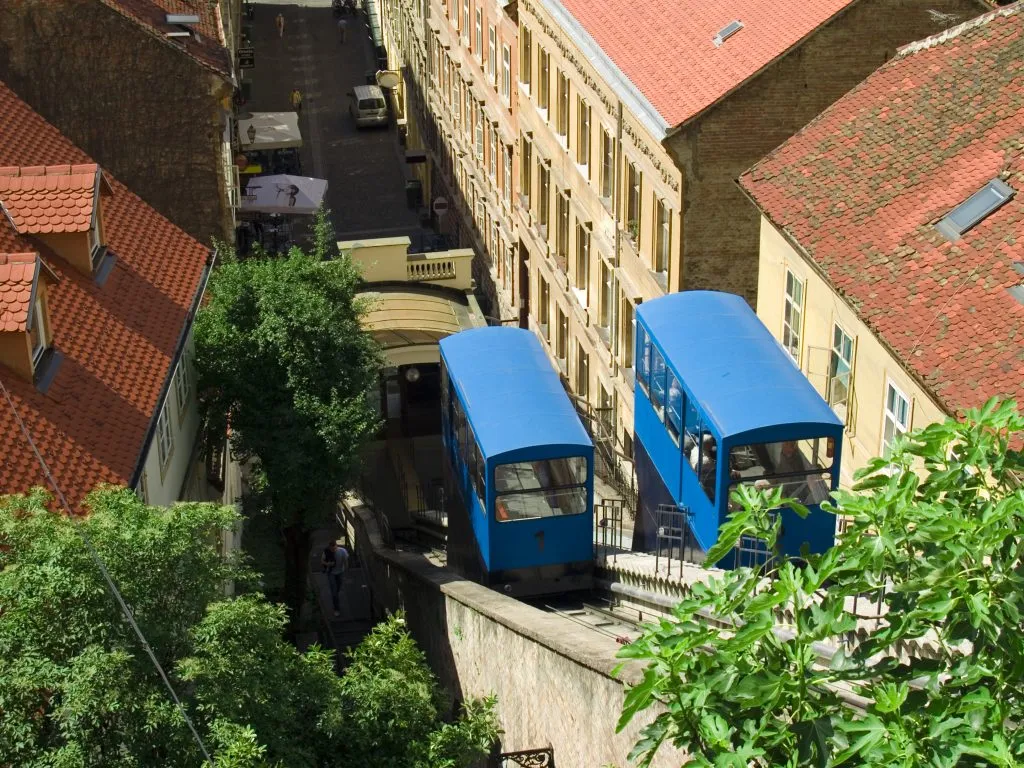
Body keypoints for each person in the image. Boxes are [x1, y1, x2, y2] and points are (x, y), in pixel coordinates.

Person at [321, 540, 349, 617]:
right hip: (331, 573)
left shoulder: (342, 551)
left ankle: (335, 597)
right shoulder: (326, 551)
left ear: (336, 546)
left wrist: (346, 571)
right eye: (332, 549)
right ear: (329, 547)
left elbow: (346, 562)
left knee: (338, 588)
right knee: (334, 592)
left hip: (340, 572)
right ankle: (336, 608)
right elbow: (322, 561)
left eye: (334, 549)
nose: (333, 551)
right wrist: (328, 564)